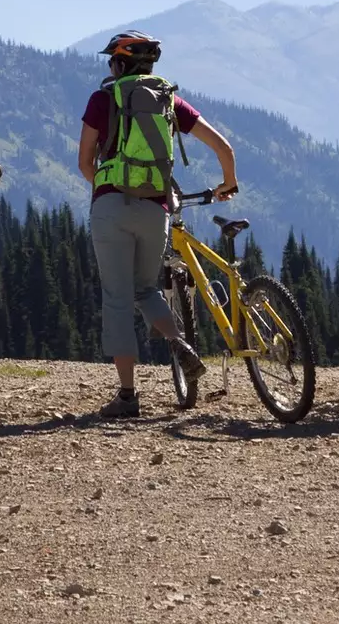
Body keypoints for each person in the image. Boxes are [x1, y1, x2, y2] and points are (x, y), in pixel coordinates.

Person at [78, 31, 237, 419]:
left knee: (117, 297)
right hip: (156, 208)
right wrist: (227, 182)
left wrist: (109, 186)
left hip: (111, 206)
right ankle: (178, 341)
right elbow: (223, 147)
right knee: (147, 288)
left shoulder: (103, 99)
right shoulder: (170, 100)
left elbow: (85, 162)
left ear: (118, 63)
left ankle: (128, 396)